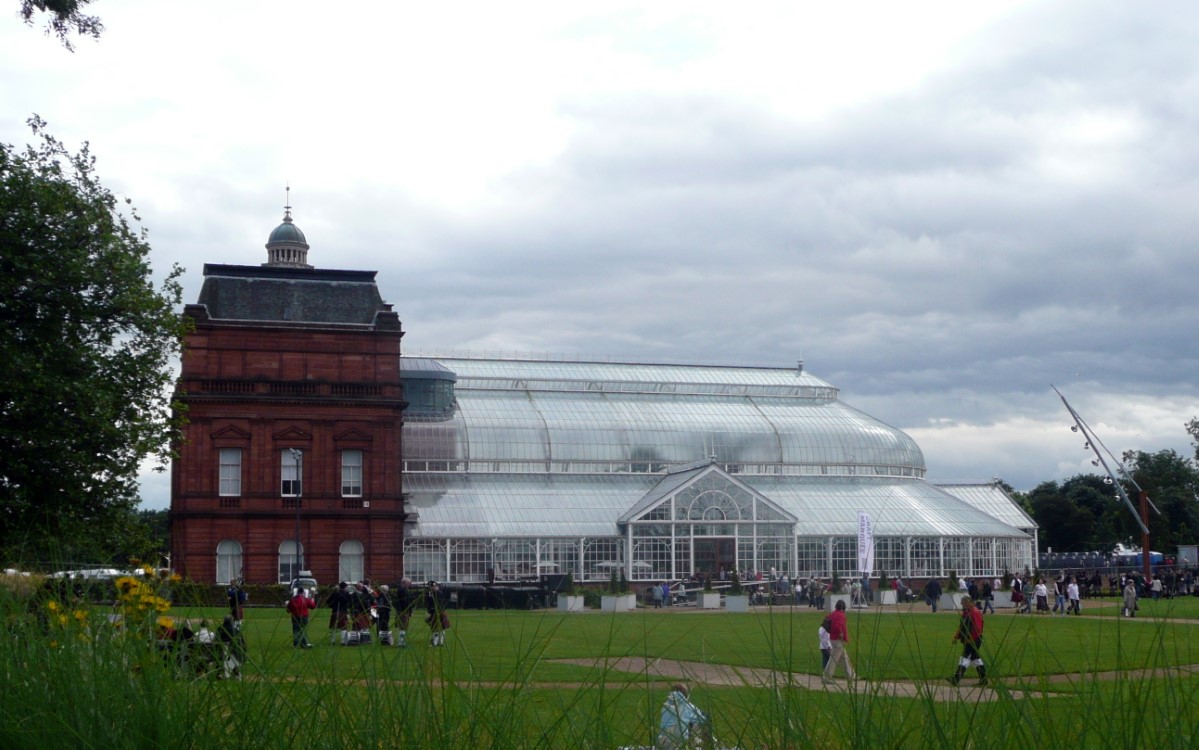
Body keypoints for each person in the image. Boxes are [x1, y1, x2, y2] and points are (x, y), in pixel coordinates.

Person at [656, 682, 707, 750]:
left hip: (662, 742)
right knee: (697, 723)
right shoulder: (688, 707)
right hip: (679, 745)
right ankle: (697, 746)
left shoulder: (665, 706)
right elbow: (703, 719)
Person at [949, 595, 986, 686]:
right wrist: (956, 637)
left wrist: (970, 639)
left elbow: (978, 628)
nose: (961, 604)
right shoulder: (967, 612)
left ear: (967, 602)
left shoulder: (974, 612)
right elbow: (962, 626)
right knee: (976, 659)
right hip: (969, 639)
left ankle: (955, 679)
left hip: (974, 640)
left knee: (964, 658)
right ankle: (983, 679)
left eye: (962, 602)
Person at [821, 599, 855, 684]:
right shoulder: (840, 615)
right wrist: (841, 633)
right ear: (843, 608)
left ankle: (850, 675)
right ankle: (826, 677)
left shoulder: (833, 614)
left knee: (844, 658)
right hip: (838, 640)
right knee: (833, 660)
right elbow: (837, 626)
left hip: (833, 639)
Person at [425, 580, 449, 646]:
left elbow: (439, 603)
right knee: (436, 627)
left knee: (438, 628)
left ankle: (437, 642)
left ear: (434, 586)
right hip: (434, 612)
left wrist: (435, 611)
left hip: (438, 612)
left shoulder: (438, 593)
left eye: (430, 586)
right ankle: (437, 642)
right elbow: (428, 603)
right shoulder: (430, 593)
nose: (429, 588)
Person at [394, 577, 415, 647]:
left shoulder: (403, 590)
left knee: (404, 627)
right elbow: (405, 601)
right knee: (403, 627)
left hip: (403, 610)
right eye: (409, 583)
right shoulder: (402, 590)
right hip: (403, 611)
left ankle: (402, 641)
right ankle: (401, 642)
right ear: (405, 583)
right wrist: (411, 607)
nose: (410, 585)